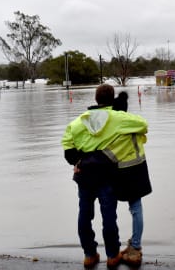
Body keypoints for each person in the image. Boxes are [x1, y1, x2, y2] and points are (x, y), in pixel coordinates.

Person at [62, 84, 148, 269]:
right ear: (112, 99)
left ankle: (89, 255)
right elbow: (143, 125)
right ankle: (112, 256)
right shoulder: (119, 118)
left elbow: (67, 146)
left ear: (95, 99)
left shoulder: (78, 122)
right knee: (109, 216)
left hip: (84, 176)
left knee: (84, 214)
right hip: (107, 175)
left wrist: (77, 161)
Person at [111, 91, 152, 266]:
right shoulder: (135, 124)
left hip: (122, 170)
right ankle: (135, 245)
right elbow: (144, 136)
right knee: (136, 208)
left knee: (112, 208)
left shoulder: (113, 126)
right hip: (139, 168)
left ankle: (127, 247)